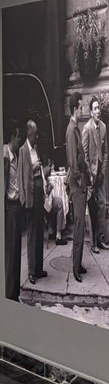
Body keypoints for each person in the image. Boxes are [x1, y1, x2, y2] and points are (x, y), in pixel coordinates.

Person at [19, 120, 50, 285]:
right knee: (32, 233)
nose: (37, 136)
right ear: (29, 133)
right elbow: (22, 176)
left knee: (39, 230)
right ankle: (31, 271)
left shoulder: (35, 149)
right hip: (30, 197)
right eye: (35, 133)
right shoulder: (23, 151)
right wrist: (24, 200)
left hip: (39, 193)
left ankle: (39, 268)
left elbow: (39, 171)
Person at [65, 93, 89, 282]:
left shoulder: (76, 128)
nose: (83, 110)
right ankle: (75, 267)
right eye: (81, 107)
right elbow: (73, 164)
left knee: (81, 226)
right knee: (79, 225)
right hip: (77, 184)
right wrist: (81, 184)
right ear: (75, 109)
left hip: (81, 182)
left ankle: (78, 263)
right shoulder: (72, 130)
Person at [81, 97, 109, 253]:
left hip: (100, 174)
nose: (98, 111)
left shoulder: (103, 127)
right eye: (95, 109)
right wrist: (90, 175)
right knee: (92, 208)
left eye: (99, 108)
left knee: (102, 206)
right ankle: (93, 244)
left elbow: (105, 152)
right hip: (91, 175)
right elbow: (84, 155)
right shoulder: (87, 129)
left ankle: (101, 239)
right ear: (91, 112)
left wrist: (103, 171)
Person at [4, 122, 23, 299]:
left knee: (16, 252)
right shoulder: (5, 155)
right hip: (9, 209)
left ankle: (15, 295)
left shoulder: (13, 155)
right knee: (10, 255)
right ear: (11, 138)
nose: (20, 140)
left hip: (16, 207)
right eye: (18, 137)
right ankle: (9, 295)